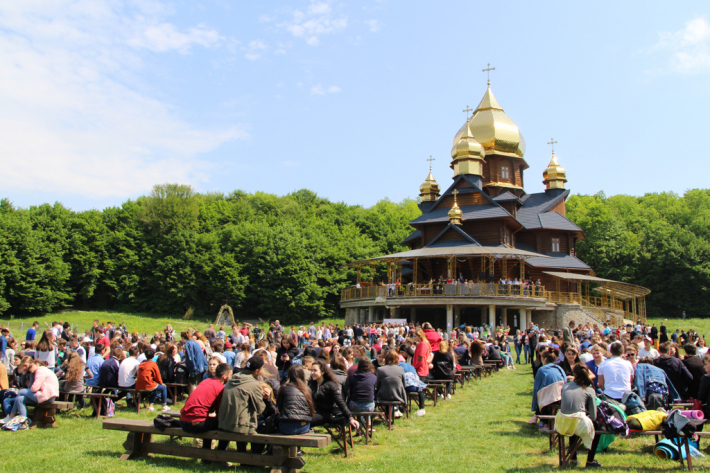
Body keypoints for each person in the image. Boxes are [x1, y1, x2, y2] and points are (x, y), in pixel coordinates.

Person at [180, 362, 233, 464]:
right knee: (226, 425)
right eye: (231, 375)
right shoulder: (221, 388)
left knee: (209, 423)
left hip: (183, 421)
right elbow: (220, 413)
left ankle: (206, 459)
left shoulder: (205, 381)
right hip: (196, 423)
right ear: (224, 376)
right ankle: (220, 458)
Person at [218, 356, 272, 454]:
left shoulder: (232, 378)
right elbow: (260, 409)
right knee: (261, 424)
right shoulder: (253, 384)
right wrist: (265, 398)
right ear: (256, 371)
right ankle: (247, 458)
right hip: (241, 426)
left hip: (223, 422)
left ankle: (219, 454)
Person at [557, 364, 602, 468]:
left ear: (574, 374)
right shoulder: (589, 389)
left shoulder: (565, 386)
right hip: (575, 421)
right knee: (596, 426)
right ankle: (590, 460)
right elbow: (594, 416)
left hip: (561, 422)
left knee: (573, 423)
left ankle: (573, 458)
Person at [2, 359, 59, 423]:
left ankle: (12, 416)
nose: (29, 368)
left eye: (31, 366)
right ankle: (24, 422)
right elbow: (31, 388)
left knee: (21, 391)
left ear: (37, 364)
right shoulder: (37, 371)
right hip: (44, 395)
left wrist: (32, 387)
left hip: (47, 396)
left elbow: (34, 388)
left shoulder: (40, 370)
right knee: (20, 399)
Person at [308, 360, 359, 430]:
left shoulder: (330, 385)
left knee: (305, 421)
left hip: (325, 414)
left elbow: (340, 402)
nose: (312, 373)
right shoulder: (311, 384)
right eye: (311, 370)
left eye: (315, 371)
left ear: (322, 372)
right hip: (313, 412)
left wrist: (350, 417)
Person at [277, 365, 315, 436]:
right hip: (303, 426)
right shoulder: (307, 389)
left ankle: (284, 447)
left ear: (289, 375)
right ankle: (297, 447)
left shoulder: (284, 388)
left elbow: (280, 407)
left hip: (286, 426)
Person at [346, 358, 377, 424]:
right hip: (369, 406)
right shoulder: (373, 377)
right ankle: (368, 424)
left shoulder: (353, 377)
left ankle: (359, 426)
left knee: (355, 405)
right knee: (368, 405)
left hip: (355, 405)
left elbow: (350, 392)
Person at [182, 331, 208, 395]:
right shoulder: (194, 343)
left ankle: (192, 399)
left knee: (192, 383)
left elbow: (190, 357)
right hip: (202, 366)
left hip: (196, 367)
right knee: (199, 383)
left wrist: (191, 368)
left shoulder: (188, 344)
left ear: (182, 338)